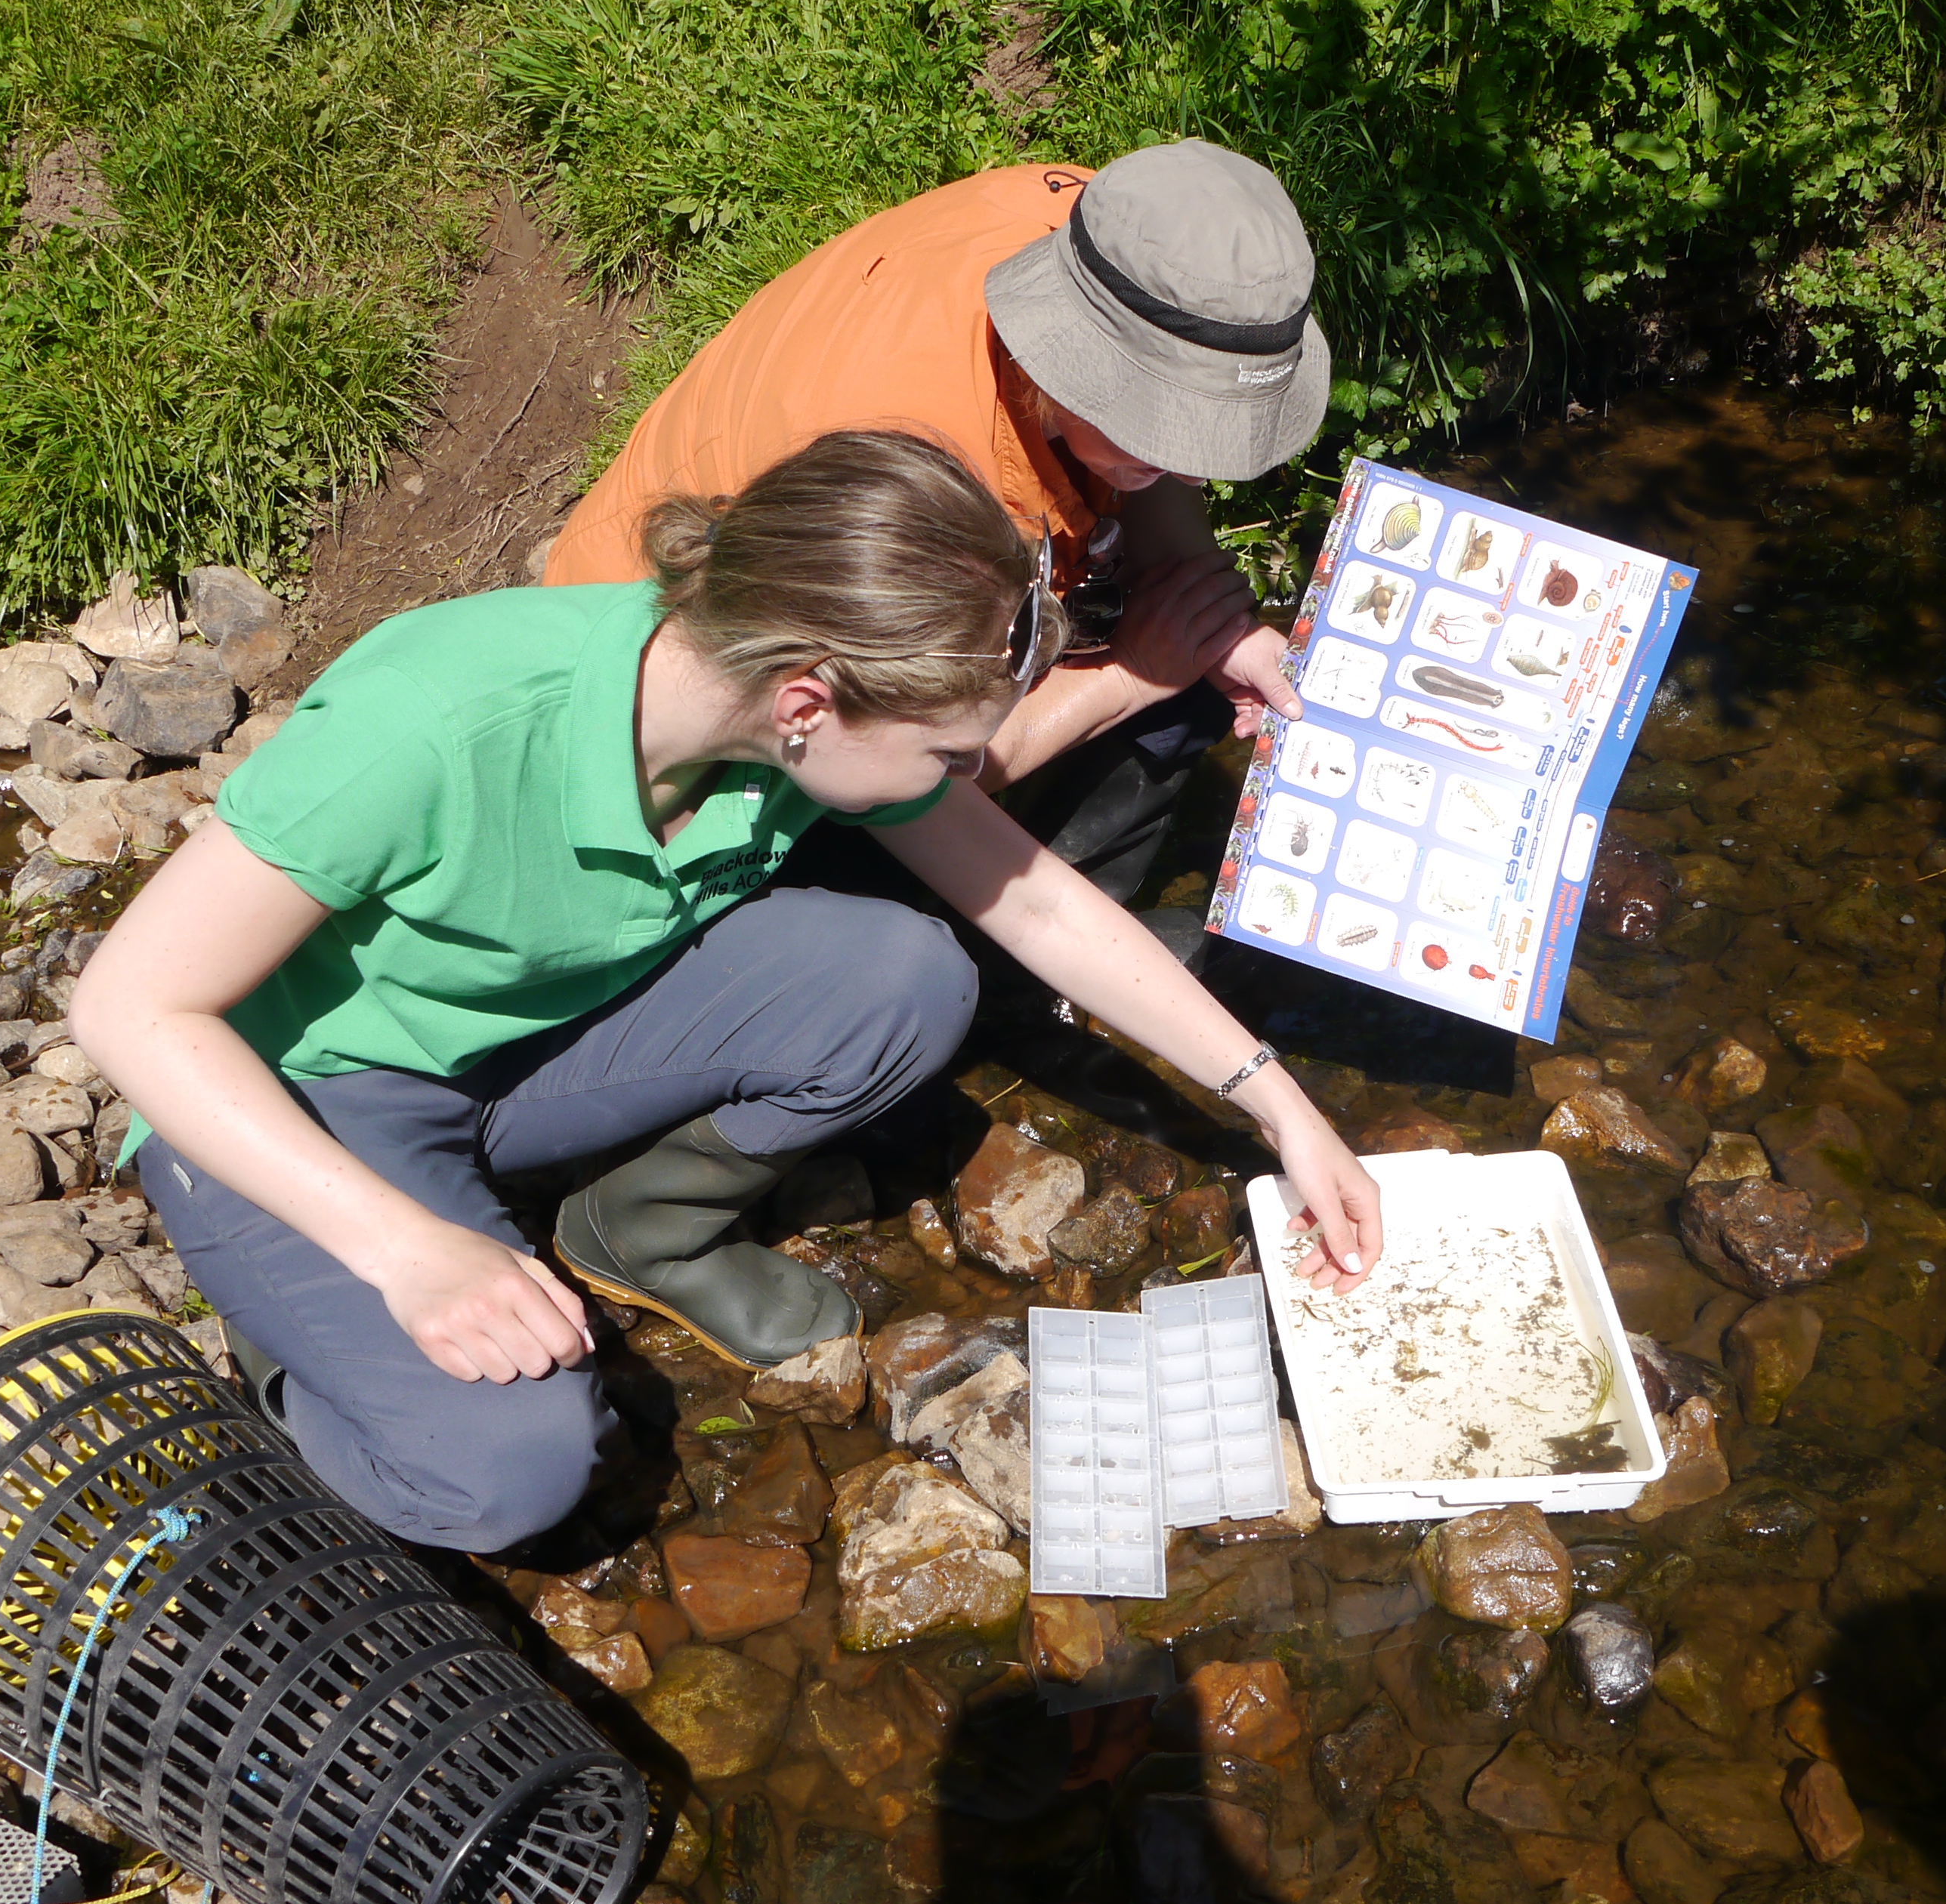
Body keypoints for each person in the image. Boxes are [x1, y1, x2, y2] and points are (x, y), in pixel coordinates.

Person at [73, 430, 1380, 1554]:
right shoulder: (437, 716)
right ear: (808, 700)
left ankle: (626, 1228)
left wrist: (1276, 1107)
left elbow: (1032, 899)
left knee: (906, 976)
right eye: (949, 747)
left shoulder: (765, 716)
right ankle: (299, 1361)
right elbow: (130, 1006)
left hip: (522, 1052)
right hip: (294, 1097)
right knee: (512, 1471)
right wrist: (401, 1250)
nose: (975, 768)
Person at [542, 139, 1330, 924]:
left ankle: (1077, 926)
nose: (1197, 477)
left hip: (875, 635)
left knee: (1185, 649)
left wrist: (1217, 626)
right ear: (1073, 364)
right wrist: (1133, 673)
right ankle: (1021, 962)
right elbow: (910, 763)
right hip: (689, 720)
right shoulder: (912, 487)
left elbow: (1150, 466)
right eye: (1171, 438)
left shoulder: (1138, 245)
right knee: (897, 908)